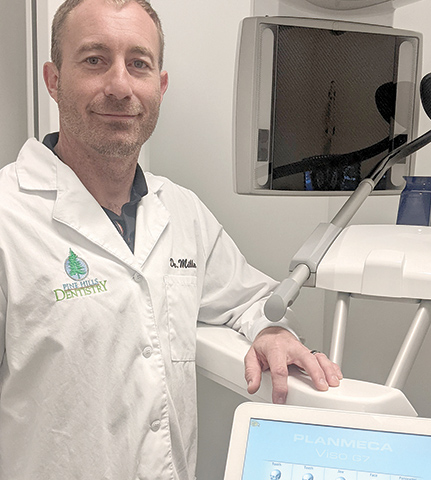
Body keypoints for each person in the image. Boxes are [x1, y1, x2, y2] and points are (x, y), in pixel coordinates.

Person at [0, 0, 342, 478]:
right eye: (95, 60)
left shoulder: (181, 212)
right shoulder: (8, 217)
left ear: (159, 86)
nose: (120, 86)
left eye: (138, 64)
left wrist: (272, 332)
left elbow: (248, 299)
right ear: (54, 79)